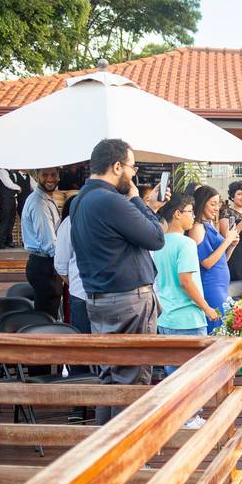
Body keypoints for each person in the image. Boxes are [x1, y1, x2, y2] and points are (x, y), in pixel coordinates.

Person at [70, 139, 165, 425]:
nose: (134, 174)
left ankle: (104, 455)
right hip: (129, 302)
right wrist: (138, 200)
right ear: (116, 166)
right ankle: (127, 459)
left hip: (100, 300)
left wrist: (146, 205)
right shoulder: (110, 200)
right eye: (132, 167)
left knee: (111, 380)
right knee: (132, 383)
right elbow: (156, 238)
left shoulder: (80, 201)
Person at [153, 196, 221, 428]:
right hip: (187, 316)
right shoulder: (186, 244)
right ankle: (189, 417)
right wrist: (207, 308)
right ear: (176, 214)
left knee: (172, 371)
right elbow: (186, 281)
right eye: (190, 211)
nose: (194, 215)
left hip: (166, 314)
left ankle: (178, 416)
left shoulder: (158, 243)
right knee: (193, 373)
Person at [188, 185, 238, 333]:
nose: (217, 208)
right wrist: (227, 241)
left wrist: (231, 246)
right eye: (212, 204)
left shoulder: (208, 226)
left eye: (218, 204)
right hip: (211, 287)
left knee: (225, 330)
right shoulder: (197, 228)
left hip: (221, 287)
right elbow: (206, 263)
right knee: (217, 330)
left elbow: (221, 259)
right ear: (202, 203)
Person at [21, 167, 63, 318]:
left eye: (53, 174)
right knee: (46, 318)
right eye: (45, 175)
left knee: (47, 314)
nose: (50, 178)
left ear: (58, 176)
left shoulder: (46, 198)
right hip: (45, 265)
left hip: (44, 264)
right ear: (37, 176)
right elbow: (49, 244)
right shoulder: (40, 203)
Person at [54, 198, 90, 335]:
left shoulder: (114, 219)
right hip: (82, 295)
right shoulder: (70, 222)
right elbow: (61, 266)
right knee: (83, 344)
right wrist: (75, 283)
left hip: (110, 299)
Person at [0, 168, 30, 249]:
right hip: (5, 199)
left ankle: (8, 241)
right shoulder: (2, 171)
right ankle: (0, 243)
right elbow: (8, 184)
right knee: (4, 220)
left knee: (11, 220)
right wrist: (18, 188)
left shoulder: (12, 173)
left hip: (12, 199)